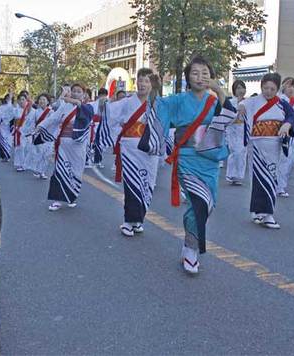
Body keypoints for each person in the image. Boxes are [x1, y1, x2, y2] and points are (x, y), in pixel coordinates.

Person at [157, 56, 236, 274]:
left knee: (208, 203)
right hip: (186, 158)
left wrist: (220, 92)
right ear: (187, 78)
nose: (200, 77)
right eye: (195, 73)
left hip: (209, 160)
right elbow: (158, 109)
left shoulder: (215, 101)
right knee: (198, 201)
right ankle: (192, 250)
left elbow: (231, 118)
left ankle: (188, 242)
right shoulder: (177, 100)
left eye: (205, 73)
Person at [100, 68, 167, 237]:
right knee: (131, 184)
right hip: (130, 148)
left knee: (147, 184)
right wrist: (102, 103)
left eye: (146, 81)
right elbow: (109, 113)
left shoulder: (158, 103)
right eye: (140, 80)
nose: (142, 84)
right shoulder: (127, 102)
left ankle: (138, 220)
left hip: (149, 150)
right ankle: (128, 221)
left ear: (152, 84)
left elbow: (165, 125)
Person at [238, 72, 294, 229]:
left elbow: (292, 115)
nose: (268, 91)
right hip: (256, 146)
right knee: (258, 178)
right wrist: (241, 107)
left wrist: (287, 124)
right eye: (265, 88)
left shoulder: (282, 103)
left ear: (277, 89)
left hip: (273, 145)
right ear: (261, 87)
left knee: (271, 178)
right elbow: (243, 104)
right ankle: (263, 213)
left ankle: (265, 212)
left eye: (272, 88)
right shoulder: (254, 100)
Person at [33, 84, 93, 211]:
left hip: (78, 146)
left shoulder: (88, 108)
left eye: (79, 91)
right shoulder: (64, 107)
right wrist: (40, 126)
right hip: (63, 144)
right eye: (74, 91)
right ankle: (57, 200)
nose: (76, 93)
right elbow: (53, 119)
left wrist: (76, 103)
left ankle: (71, 196)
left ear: (84, 94)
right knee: (60, 170)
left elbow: (88, 117)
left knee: (76, 171)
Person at [25, 93, 52, 179]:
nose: (42, 101)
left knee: (47, 154)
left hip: (47, 135)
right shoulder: (36, 112)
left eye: (44, 99)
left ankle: (42, 171)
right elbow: (32, 123)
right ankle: (38, 170)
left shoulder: (51, 112)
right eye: (40, 99)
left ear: (48, 101)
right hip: (38, 135)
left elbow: (53, 123)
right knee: (39, 153)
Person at [226, 79, 247, 185]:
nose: (241, 90)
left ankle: (238, 176)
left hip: (243, 130)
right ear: (234, 90)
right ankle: (231, 174)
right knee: (235, 152)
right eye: (238, 88)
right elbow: (228, 117)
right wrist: (237, 112)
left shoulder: (247, 102)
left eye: (242, 87)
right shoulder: (230, 102)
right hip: (233, 129)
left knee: (242, 153)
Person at [13, 93, 34, 172]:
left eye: (23, 99)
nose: (21, 101)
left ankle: (26, 163)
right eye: (20, 100)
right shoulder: (16, 110)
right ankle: (20, 164)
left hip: (28, 131)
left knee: (28, 148)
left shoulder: (31, 110)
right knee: (20, 147)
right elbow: (15, 118)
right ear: (18, 101)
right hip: (19, 130)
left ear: (26, 100)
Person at [0, 92, 16, 162]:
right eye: (8, 98)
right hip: (2, 126)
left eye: (10, 98)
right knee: (2, 141)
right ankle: (4, 156)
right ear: (5, 99)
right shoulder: (0, 108)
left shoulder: (14, 107)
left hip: (10, 127)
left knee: (8, 141)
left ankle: (7, 156)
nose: (9, 100)